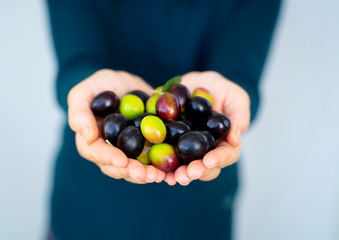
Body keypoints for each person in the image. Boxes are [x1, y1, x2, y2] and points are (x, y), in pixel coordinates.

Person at [47, 0, 281, 239]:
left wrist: (235, 90)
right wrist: (82, 81)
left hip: (197, 214)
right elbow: (77, 57)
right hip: (88, 206)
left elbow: (240, 69)